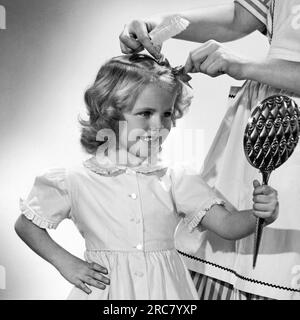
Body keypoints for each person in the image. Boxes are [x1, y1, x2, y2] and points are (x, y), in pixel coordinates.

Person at [14, 53, 279, 300]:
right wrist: (66, 263)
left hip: (167, 293)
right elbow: (26, 225)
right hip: (107, 292)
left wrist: (260, 215)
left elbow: (228, 226)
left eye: (166, 114)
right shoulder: (74, 179)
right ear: (110, 113)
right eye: (145, 114)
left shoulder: (175, 177)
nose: (159, 126)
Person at [119, 0, 300, 300]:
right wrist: (161, 24)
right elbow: (243, 16)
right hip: (258, 123)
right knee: (220, 270)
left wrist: (245, 66)